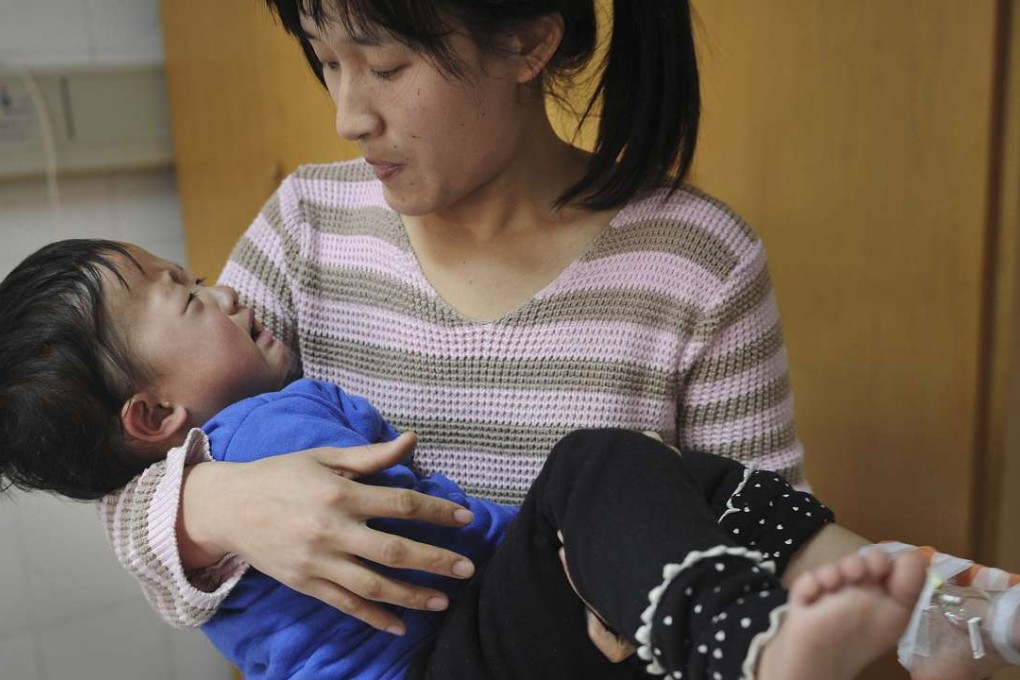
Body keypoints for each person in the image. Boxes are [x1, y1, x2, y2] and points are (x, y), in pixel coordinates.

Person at [0, 237, 955, 679]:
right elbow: (454, 545)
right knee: (597, 471)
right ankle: (791, 639)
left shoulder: (231, 430)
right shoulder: (267, 436)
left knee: (677, 487)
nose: (224, 287)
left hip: (483, 650)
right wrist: (578, 553)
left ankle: (908, 622)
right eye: (189, 295)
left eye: (384, 65)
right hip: (454, 653)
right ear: (155, 411)